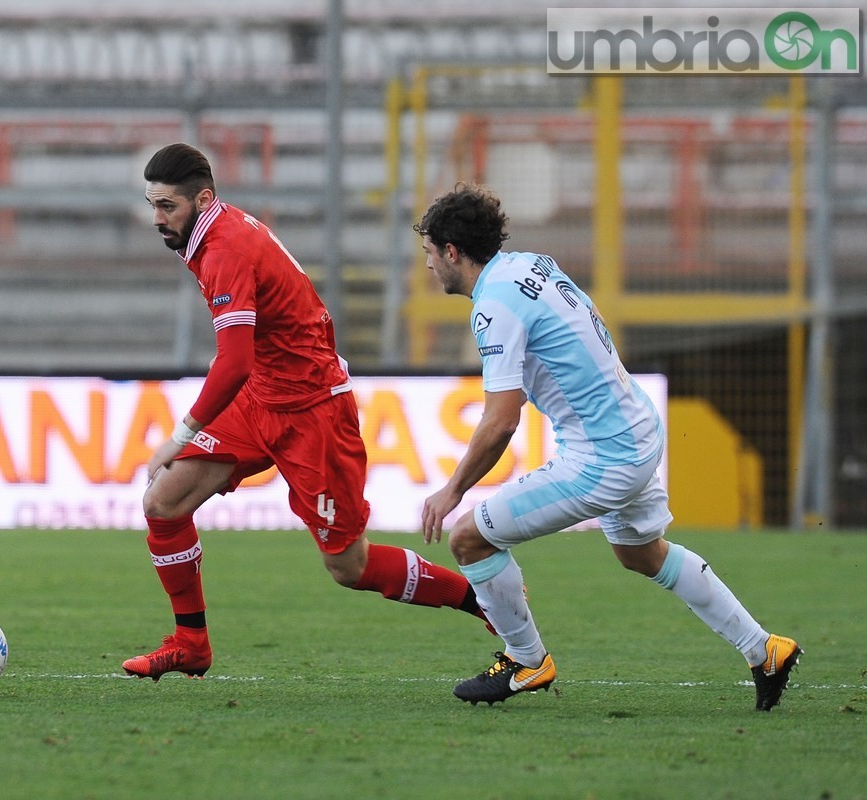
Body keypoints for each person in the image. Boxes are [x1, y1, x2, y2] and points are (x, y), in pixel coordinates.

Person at [415, 182, 800, 710]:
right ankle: (766, 650)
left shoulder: (494, 308)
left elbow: (502, 421)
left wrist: (452, 489)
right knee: (641, 554)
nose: (429, 266)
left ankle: (526, 660)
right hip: (638, 426)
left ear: (452, 251)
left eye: (430, 254)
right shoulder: (531, 264)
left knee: (469, 539)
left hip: (604, 456)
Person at [122, 143, 492, 681]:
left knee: (350, 566)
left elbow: (234, 361)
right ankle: (191, 643)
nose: (157, 218)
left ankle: (480, 599)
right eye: (152, 205)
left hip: (312, 410)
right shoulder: (209, 231)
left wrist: (181, 435)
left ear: (203, 199)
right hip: (263, 396)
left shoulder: (224, 246)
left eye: (167, 207)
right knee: (164, 503)